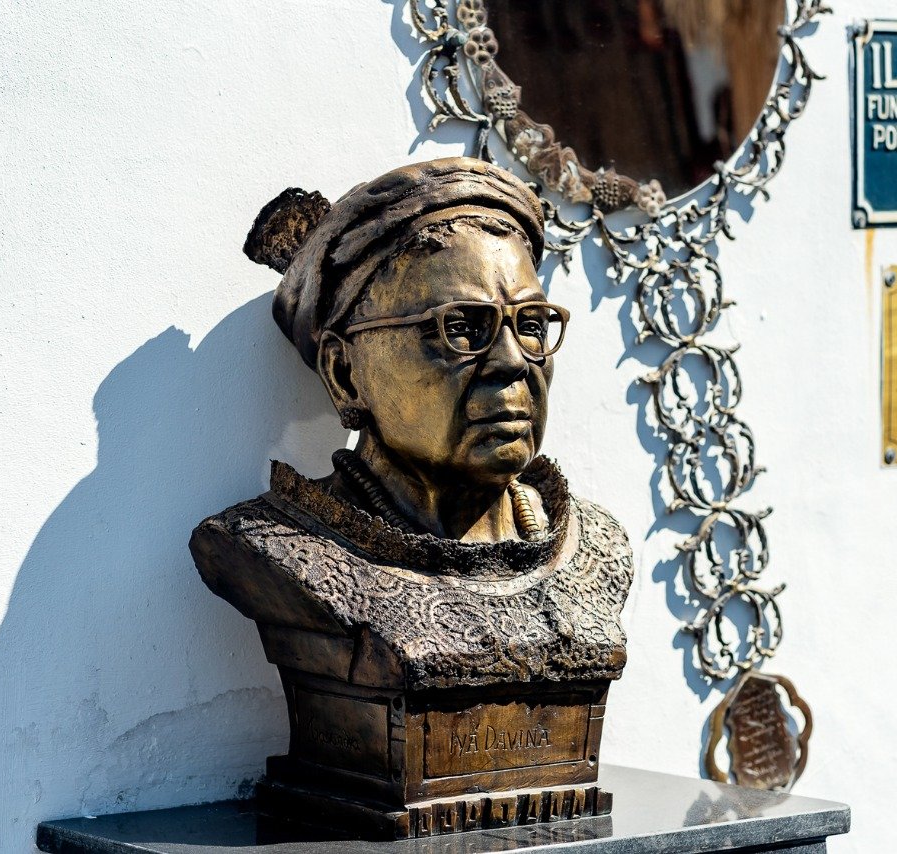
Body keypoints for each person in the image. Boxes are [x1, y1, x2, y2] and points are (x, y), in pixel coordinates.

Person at [190, 156, 633, 691]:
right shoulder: (279, 548)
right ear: (345, 373)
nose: (513, 361)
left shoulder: (594, 546)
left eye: (532, 324)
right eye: (464, 328)